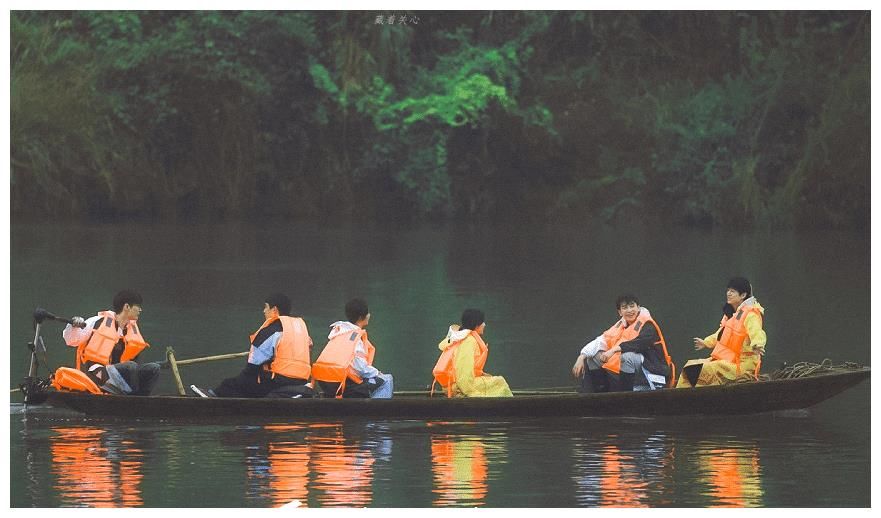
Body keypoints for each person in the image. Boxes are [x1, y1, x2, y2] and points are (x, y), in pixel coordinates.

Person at [192, 293, 314, 398]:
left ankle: (213, 396)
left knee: (230, 384)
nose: (264, 311)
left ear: (274, 310)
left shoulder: (270, 331)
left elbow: (251, 368)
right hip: (301, 381)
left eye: (266, 307)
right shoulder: (302, 332)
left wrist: (238, 382)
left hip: (277, 382)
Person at [62, 289, 160, 395]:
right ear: (127, 307)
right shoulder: (97, 322)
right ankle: (132, 400)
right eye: (138, 306)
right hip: (95, 374)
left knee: (154, 368)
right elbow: (70, 341)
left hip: (120, 375)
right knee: (130, 366)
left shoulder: (131, 329)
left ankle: (141, 399)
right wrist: (73, 326)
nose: (140, 310)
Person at [571, 294, 673, 393]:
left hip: (654, 371)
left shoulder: (648, 324)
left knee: (628, 357)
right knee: (594, 357)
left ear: (638, 307)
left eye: (632, 306)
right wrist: (582, 356)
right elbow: (600, 341)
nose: (629, 310)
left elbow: (638, 344)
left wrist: (613, 350)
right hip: (628, 374)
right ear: (620, 312)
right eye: (624, 308)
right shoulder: (620, 325)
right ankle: (601, 394)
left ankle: (624, 396)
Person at [676, 277, 766, 388]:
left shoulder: (751, 314)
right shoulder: (733, 314)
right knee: (690, 366)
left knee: (699, 370)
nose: (728, 293)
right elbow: (720, 334)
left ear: (743, 295)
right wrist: (706, 342)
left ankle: (687, 399)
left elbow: (757, 332)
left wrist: (757, 344)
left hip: (742, 366)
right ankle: (680, 398)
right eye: (728, 290)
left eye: (732, 291)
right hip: (728, 362)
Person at [312, 298, 393, 398]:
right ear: (361, 317)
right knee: (387, 379)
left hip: (326, 383)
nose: (369, 315)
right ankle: (376, 412)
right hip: (343, 385)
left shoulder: (338, 331)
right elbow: (360, 367)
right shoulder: (355, 337)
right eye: (367, 313)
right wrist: (377, 373)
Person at [432, 309, 513, 398]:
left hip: (452, 385)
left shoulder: (460, 337)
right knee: (500, 382)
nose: (484, 325)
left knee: (491, 379)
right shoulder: (469, 341)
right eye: (482, 322)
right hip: (458, 387)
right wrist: (470, 393)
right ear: (476, 325)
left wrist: (482, 375)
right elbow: (463, 372)